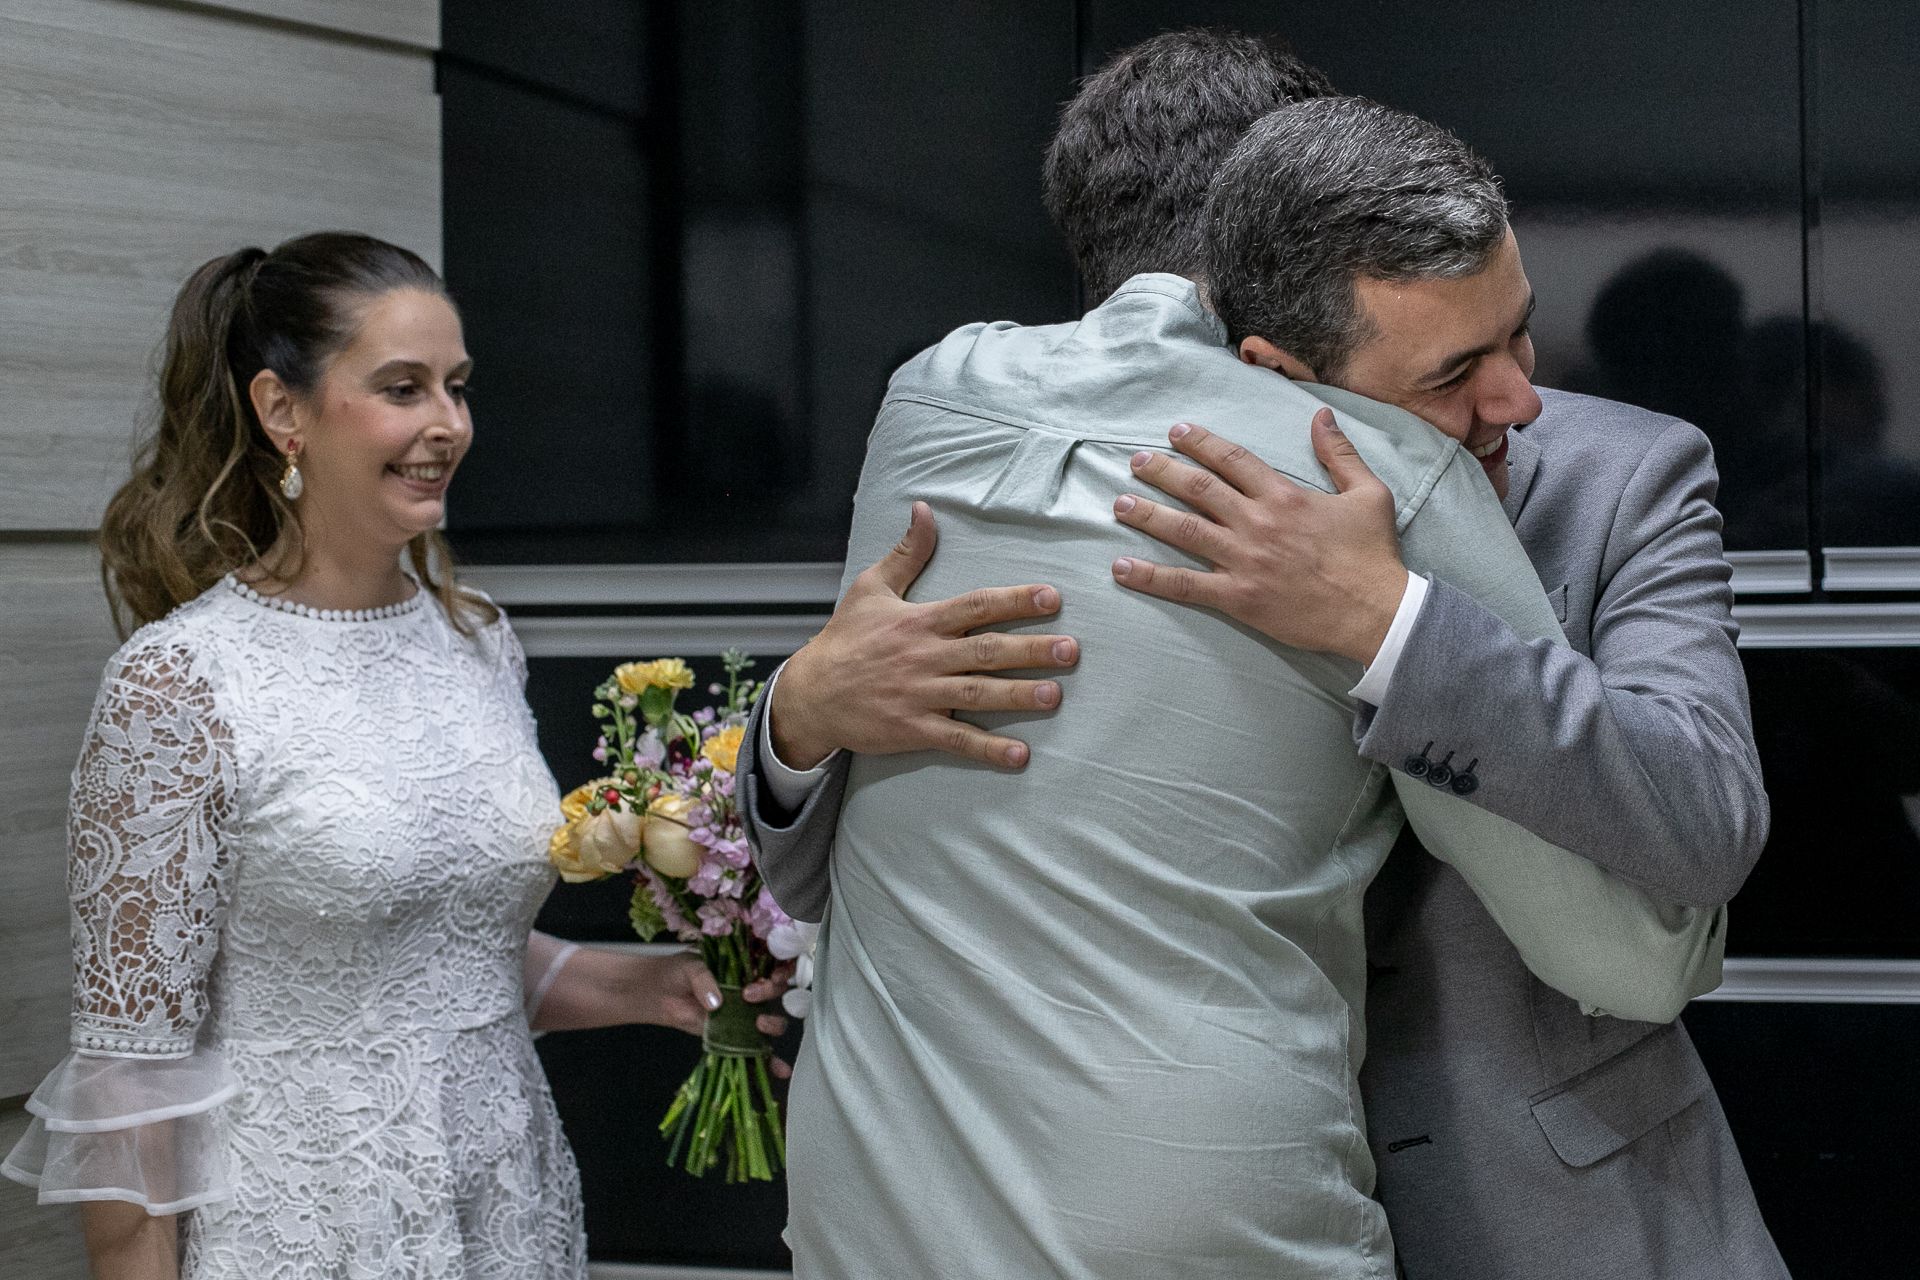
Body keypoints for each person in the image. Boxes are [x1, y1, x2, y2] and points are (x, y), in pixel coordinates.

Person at [743, 33, 1784, 1280]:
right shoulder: (1008, 454)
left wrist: (1392, 624)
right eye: (1454, 370)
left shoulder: (1626, 471)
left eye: (1516, 337)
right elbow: (828, 865)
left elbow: (1698, 826)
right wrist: (800, 712)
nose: (1515, 398)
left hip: (1536, 1203)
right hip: (1150, 1201)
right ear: (1264, 331)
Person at [0, 233, 784, 1280]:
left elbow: (449, 953)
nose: (447, 426)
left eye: (457, 388)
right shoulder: (182, 684)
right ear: (283, 409)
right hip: (303, 1229)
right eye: (402, 388)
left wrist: (654, 987)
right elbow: (130, 1082)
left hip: (505, 1209)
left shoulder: (476, 639)